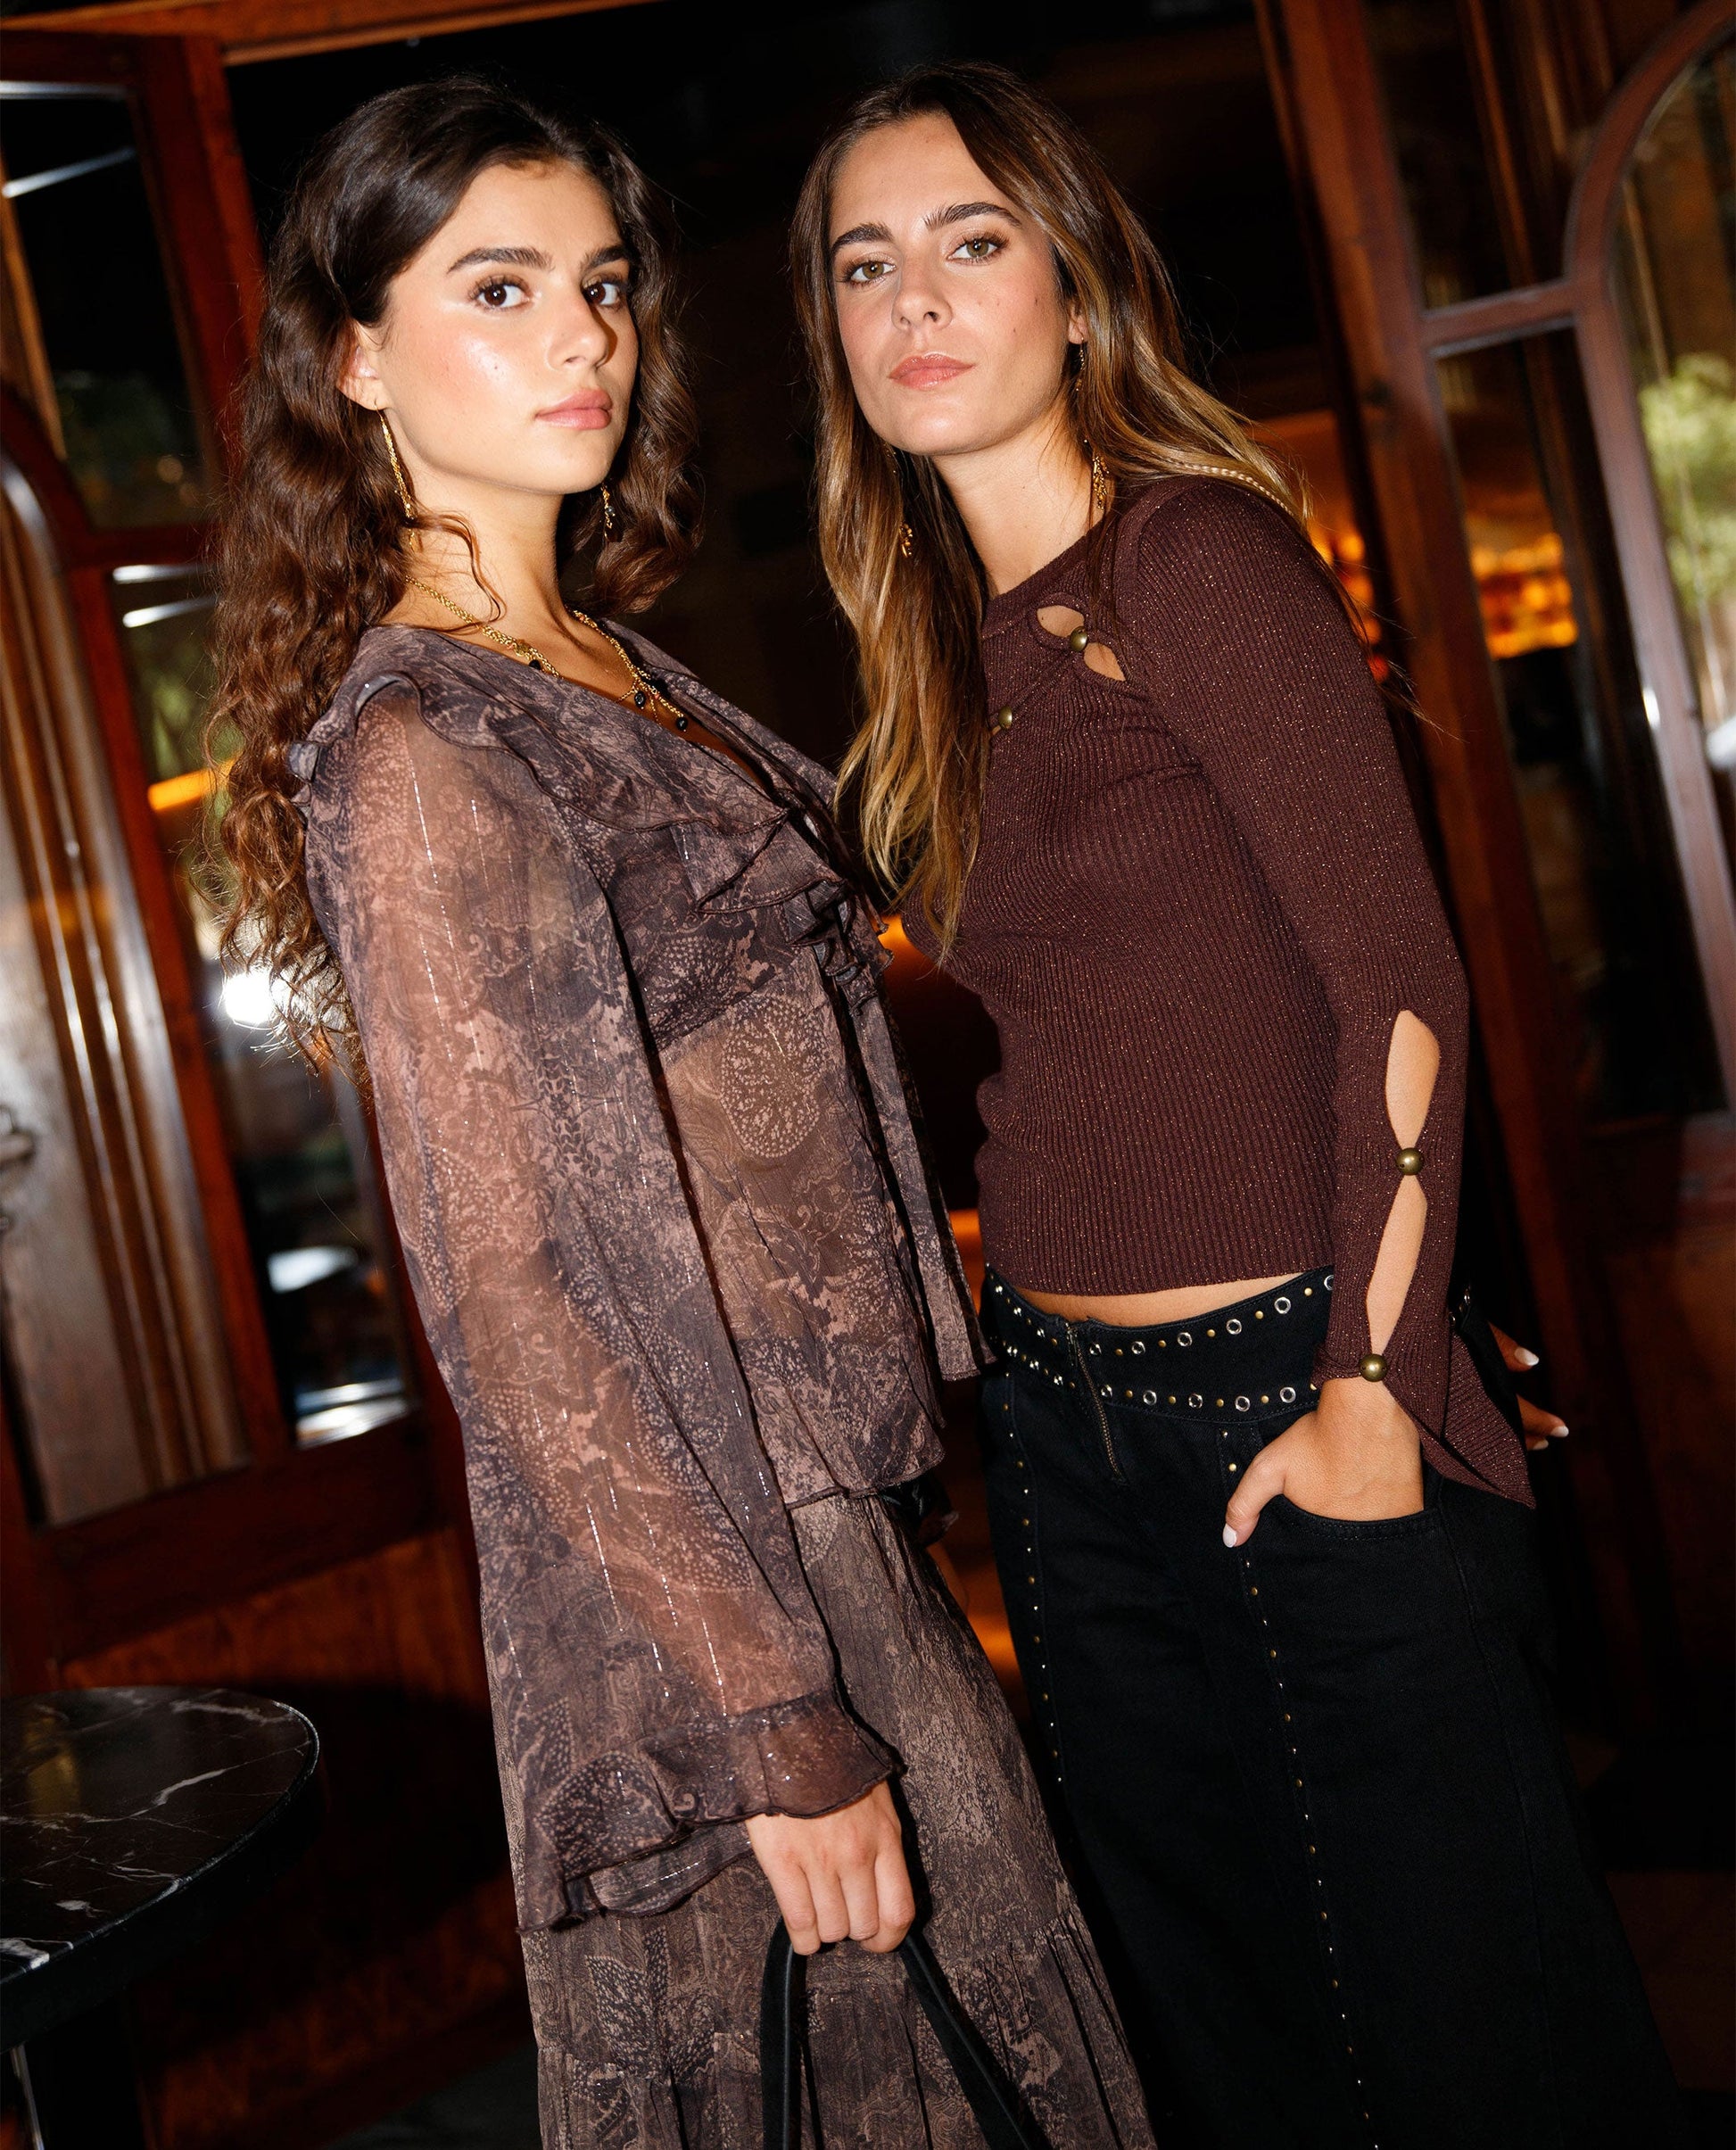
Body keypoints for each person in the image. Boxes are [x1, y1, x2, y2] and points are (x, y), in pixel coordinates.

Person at [207, 76, 1153, 2150]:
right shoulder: (423, 747)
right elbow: (517, 1290)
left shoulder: (601, 660)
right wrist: (768, 1711)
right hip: (719, 1569)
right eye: (499, 288)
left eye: (604, 285)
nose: (582, 337)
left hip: (831, 1517)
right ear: (354, 359)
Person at [792, 60, 1687, 2150]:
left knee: (1464, 2048)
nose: (914, 297)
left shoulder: (1187, 559)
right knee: (1225, 2049)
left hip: (1293, 1395)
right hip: (1062, 1431)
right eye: (863, 261)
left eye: (970, 242)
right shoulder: (935, 653)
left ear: (1075, 290)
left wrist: (1376, 1379)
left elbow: (1401, 986)